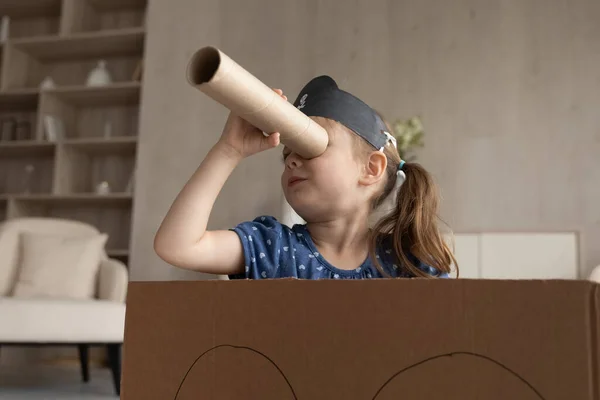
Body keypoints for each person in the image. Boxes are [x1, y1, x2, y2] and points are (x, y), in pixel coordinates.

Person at [154, 76, 458, 279]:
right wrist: (229, 150)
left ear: (371, 169)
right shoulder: (271, 247)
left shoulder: (407, 264)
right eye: (286, 155)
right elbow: (177, 246)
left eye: (310, 146)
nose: (292, 160)